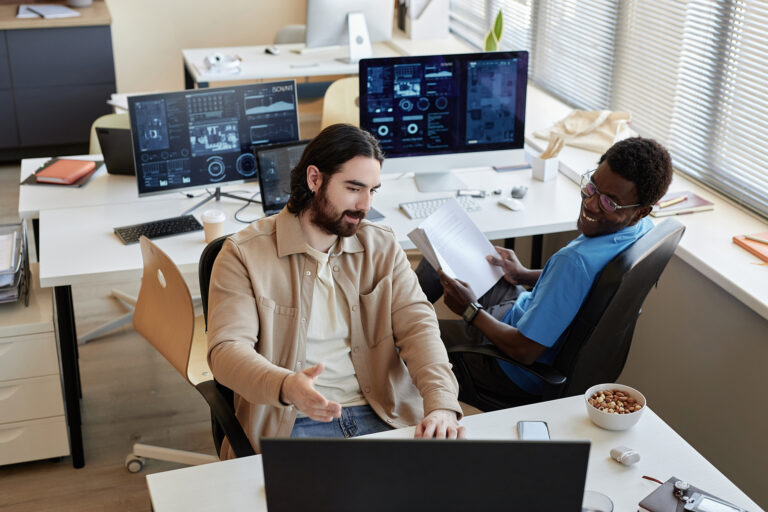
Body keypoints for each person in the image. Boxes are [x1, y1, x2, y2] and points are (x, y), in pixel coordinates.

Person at [207, 124, 464, 459]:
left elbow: (419, 328)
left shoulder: (381, 244)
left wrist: (441, 403)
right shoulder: (243, 254)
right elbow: (226, 351)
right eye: (354, 188)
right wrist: (286, 386)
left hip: (385, 413)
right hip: (295, 421)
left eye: (373, 190)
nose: (365, 205)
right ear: (315, 179)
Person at [417, 137, 673, 404]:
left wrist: (471, 311)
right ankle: (380, 323)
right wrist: (523, 274)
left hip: (509, 365)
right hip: (522, 314)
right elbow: (586, 287)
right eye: (592, 186)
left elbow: (524, 351)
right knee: (439, 256)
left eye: (610, 202)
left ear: (640, 211)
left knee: (412, 333)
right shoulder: (640, 232)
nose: (591, 203)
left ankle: (383, 348)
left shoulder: (575, 262)